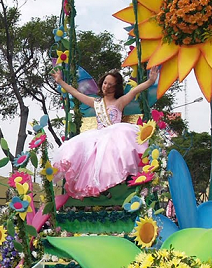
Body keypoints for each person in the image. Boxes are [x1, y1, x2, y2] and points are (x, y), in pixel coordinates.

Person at [50, 66, 159, 199]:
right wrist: (60, 81)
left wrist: (150, 81)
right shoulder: (96, 103)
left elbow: (136, 90)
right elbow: (77, 94)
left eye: (110, 84)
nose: (106, 86)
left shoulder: (120, 101)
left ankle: (123, 184)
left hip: (116, 136)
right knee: (92, 162)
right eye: (105, 83)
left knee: (117, 156)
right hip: (99, 137)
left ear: (116, 87)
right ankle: (101, 190)